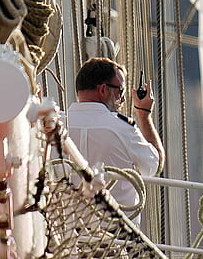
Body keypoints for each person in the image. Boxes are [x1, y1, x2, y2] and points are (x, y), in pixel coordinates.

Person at [66, 57, 164, 211]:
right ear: (103, 90)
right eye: (121, 91)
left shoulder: (54, 124)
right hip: (116, 231)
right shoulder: (123, 129)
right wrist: (144, 115)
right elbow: (155, 165)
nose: (123, 99)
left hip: (65, 229)